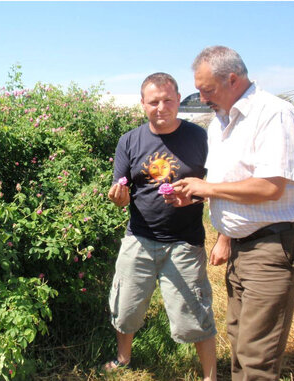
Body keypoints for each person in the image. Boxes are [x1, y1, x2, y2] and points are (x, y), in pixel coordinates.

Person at [169, 45, 294, 380]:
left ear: (232, 79)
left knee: (257, 352)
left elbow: (270, 187)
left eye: (207, 90)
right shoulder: (220, 124)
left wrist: (208, 190)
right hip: (243, 244)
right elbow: (232, 182)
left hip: (274, 245)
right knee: (238, 334)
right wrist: (197, 192)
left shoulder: (273, 114)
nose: (203, 98)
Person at [105, 72, 217, 380]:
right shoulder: (130, 140)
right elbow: (120, 194)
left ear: (179, 99)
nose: (161, 107)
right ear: (142, 104)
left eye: (168, 100)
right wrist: (118, 197)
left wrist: (197, 199)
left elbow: (218, 187)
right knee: (125, 308)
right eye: (153, 101)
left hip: (185, 241)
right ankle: (124, 359)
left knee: (194, 313)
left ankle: (210, 376)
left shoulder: (201, 138)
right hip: (139, 237)